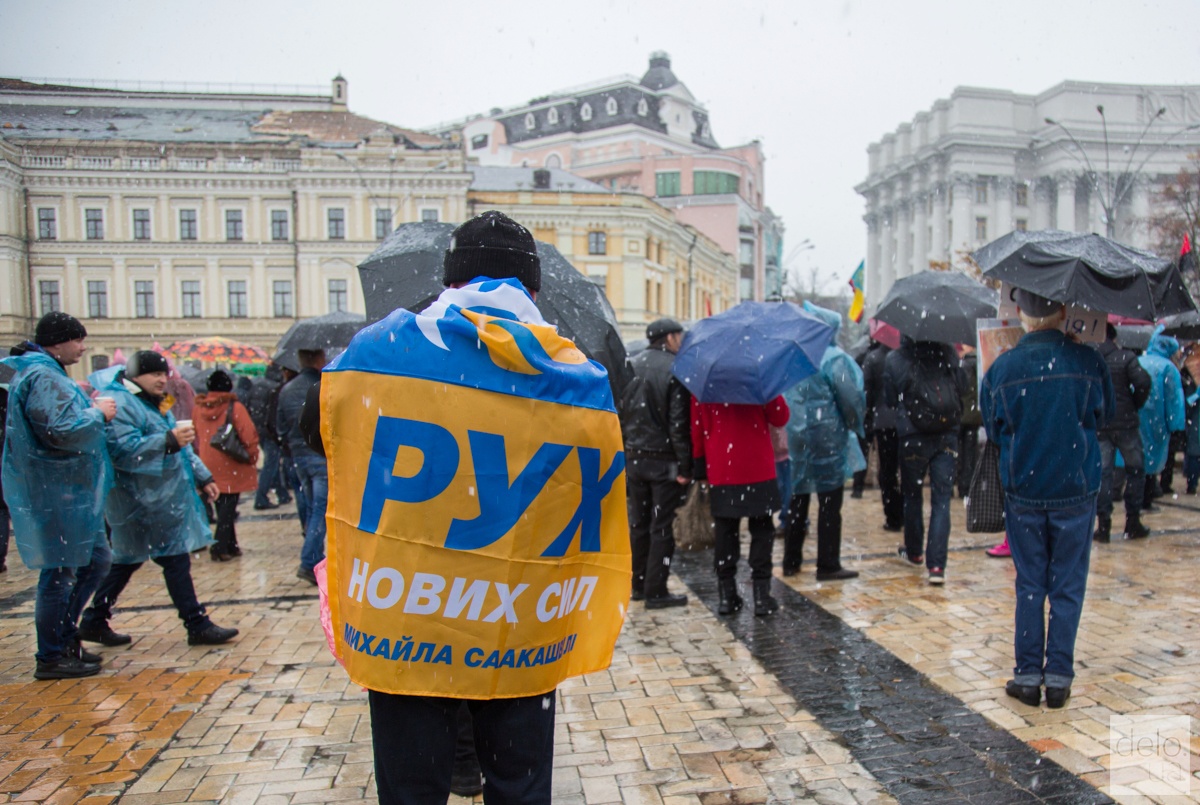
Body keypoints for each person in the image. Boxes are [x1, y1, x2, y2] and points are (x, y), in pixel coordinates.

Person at [325, 211, 628, 804]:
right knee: (518, 784)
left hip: (405, 608)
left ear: (448, 280)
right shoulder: (577, 376)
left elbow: (329, 439)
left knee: (412, 788)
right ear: (534, 289)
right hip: (519, 613)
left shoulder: (380, 348)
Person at [981, 289, 1113, 709]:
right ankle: (1057, 676)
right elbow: (1102, 416)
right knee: (1068, 584)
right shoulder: (1088, 362)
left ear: (1020, 313)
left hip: (1025, 487)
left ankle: (1027, 674)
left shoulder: (1003, 367)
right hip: (1075, 486)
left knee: (1031, 584)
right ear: (1062, 311)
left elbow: (994, 425)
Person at [78, 351, 239, 648]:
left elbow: (181, 446)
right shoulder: (122, 403)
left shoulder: (156, 402)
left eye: (164, 374)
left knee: (130, 560)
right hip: (138, 500)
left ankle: (94, 619)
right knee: (171, 559)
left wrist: (203, 477)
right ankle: (196, 623)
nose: (161, 379)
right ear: (135, 375)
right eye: (154, 374)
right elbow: (121, 450)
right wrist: (167, 442)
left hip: (159, 499)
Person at [1, 313, 114, 679]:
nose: (83, 347)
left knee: (94, 560)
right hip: (58, 492)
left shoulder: (46, 373)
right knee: (60, 572)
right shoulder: (43, 376)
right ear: (58, 341)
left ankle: (65, 639)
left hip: (70, 491)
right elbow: (60, 430)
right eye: (78, 340)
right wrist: (97, 414)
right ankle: (51, 655)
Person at [782, 302, 864, 581]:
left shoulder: (795, 357)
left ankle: (791, 560)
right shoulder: (834, 359)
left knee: (797, 499)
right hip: (827, 437)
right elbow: (850, 399)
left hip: (797, 437)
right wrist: (855, 424)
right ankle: (828, 563)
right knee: (830, 502)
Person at [620, 317, 693, 609]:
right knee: (661, 526)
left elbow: (621, 413)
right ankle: (656, 590)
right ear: (670, 338)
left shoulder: (631, 365)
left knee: (639, 524)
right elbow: (678, 424)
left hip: (636, 458)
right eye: (679, 336)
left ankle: (637, 585)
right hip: (664, 463)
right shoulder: (675, 369)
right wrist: (686, 467)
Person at [693, 394, 789, 616]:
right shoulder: (758, 376)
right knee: (762, 531)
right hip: (757, 466)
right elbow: (780, 417)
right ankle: (761, 596)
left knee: (725, 533)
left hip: (722, 467)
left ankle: (727, 596)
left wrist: (699, 467)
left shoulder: (705, 381)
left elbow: (697, 428)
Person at [884, 335, 963, 585]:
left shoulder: (896, 358)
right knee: (941, 501)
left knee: (912, 496)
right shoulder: (948, 350)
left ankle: (915, 550)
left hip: (912, 435)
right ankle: (937, 565)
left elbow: (889, 398)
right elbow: (962, 385)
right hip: (946, 433)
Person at [193, 369, 260, 561]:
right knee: (228, 507)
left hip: (207, 461)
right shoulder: (234, 407)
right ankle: (220, 546)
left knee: (221, 505)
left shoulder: (199, 407)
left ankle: (231, 544)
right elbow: (248, 433)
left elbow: (196, 432)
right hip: (230, 461)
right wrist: (252, 455)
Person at [1094, 323, 1152, 542]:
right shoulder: (1126, 357)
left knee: (1103, 475)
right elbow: (1143, 382)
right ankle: (1132, 520)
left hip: (1103, 424)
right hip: (1126, 423)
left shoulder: (1092, 359)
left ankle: (1104, 526)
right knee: (1136, 470)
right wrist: (1134, 403)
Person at [277, 349, 327, 585]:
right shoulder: (322, 384)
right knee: (320, 510)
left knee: (310, 507)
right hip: (318, 454)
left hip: (298, 455)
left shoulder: (286, 389)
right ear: (319, 360)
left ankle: (314, 556)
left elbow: (280, 425)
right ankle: (309, 562)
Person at [1135, 328, 1185, 521]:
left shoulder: (1140, 361)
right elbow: (1174, 399)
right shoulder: (1168, 368)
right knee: (1153, 460)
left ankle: (1137, 498)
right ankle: (1146, 498)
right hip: (1158, 420)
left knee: (1138, 458)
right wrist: (1176, 424)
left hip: (1138, 418)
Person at [861, 335, 903, 531]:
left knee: (887, 471)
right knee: (905, 470)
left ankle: (893, 516)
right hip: (905, 421)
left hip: (883, 421)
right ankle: (904, 512)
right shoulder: (904, 356)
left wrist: (867, 416)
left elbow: (867, 391)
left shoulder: (874, 358)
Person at [248, 363, 291, 509]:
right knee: (271, 465)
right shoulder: (275, 389)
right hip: (271, 432)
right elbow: (274, 414)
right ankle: (261, 497)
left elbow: (250, 408)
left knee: (272, 463)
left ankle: (282, 493)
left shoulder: (257, 386)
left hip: (260, 430)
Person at [957, 346, 982, 498]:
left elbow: (960, 388)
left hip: (960, 415)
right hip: (973, 416)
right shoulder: (979, 365)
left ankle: (958, 481)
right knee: (970, 453)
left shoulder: (962, 366)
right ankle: (967, 487)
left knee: (958, 452)